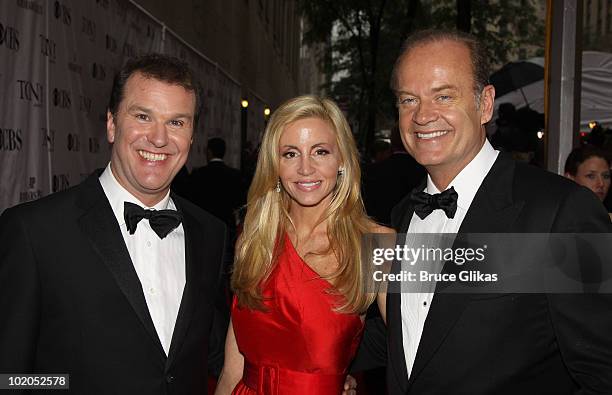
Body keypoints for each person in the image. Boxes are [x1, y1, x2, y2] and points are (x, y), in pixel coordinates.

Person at [352, 29, 612, 394]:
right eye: (409, 100)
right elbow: (398, 339)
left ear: (485, 104)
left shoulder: (561, 212)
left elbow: (603, 371)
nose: (423, 116)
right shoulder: (399, 217)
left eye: (443, 96)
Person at [0, 54, 227, 394]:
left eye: (177, 122)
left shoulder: (212, 234)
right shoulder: (34, 231)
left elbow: (214, 355)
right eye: (142, 116)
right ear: (111, 124)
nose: (159, 138)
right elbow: (9, 377)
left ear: (193, 136)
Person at [214, 95, 391, 394]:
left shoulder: (378, 244)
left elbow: (417, 351)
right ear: (275, 164)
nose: (305, 168)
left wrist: (330, 379)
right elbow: (233, 369)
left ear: (342, 161)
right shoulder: (253, 238)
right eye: (290, 154)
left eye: (320, 151)